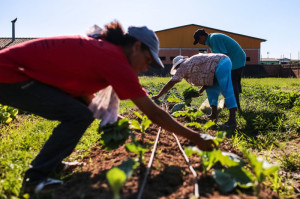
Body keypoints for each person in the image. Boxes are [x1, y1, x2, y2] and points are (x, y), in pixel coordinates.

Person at [0, 21, 215, 194]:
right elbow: (154, 113)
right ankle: (35, 178)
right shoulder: (115, 59)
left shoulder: (103, 49)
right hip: (9, 74)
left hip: (13, 72)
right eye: (147, 60)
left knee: (78, 112)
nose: (145, 67)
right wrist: (196, 137)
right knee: (78, 116)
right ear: (136, 47)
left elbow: (84, 96)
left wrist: (116, 117)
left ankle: (53, 165)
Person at [152, 53, 238, 127]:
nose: (177, 70)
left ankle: (232, 121)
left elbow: (171, 82)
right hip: (218, 65)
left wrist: (158, 95)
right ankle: (213, 115)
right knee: (211, 90)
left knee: (226, 89)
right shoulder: (190, 63)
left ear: (178, 65)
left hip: (221, 63)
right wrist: (199, 92)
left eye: (177, 68)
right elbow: (207, 78)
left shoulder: (183, 66)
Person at [193, 29, 246, 109]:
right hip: (236, 59)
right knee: (232, 82)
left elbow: (221, 57)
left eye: (199, 40)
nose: (200, 43)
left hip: (235, 60)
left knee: (231, 83)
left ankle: (235, 107)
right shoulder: (212, 40)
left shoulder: (214, 38)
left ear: (202, 36)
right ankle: (230, 105)